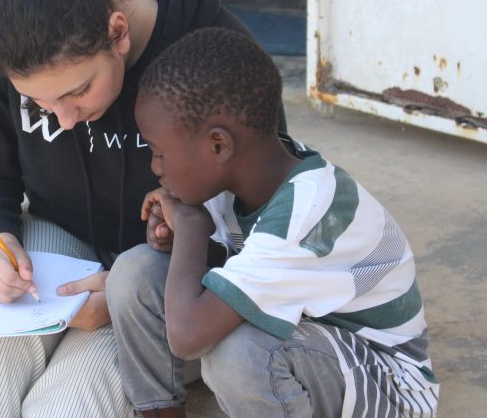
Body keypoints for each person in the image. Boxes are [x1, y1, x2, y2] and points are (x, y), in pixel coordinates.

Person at [0, 0, 287, 417]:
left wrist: (127, 295)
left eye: (77, 91)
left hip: (168, 275)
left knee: (69, 403)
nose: (63, 120)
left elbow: (264, 232)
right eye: (37, 103)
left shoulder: (217, 59)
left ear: (118, 33)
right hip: (59, 236)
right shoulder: (5, 37)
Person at [124, 26, 439, 417]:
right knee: (136, 273)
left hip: (387, 383)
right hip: (310, 342)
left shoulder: (307, 213)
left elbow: (188, 337)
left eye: (159, 153)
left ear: (218, 145)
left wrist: (189, 226)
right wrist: (181, 237)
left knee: (239, 354)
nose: (154, 168)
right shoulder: (248, 172)